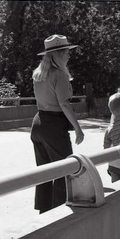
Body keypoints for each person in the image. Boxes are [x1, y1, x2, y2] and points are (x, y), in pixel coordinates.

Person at [30, 34, 84, 214]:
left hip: (38, 123)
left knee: (44, 171)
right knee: (64, 169)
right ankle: (61, 209)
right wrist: (78, 129)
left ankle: (44, 210)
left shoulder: (39, 74)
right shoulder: (59, 75)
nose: (69, 55)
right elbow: (64, 104)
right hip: (54, 125)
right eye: (67, 52)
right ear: (59, 54)